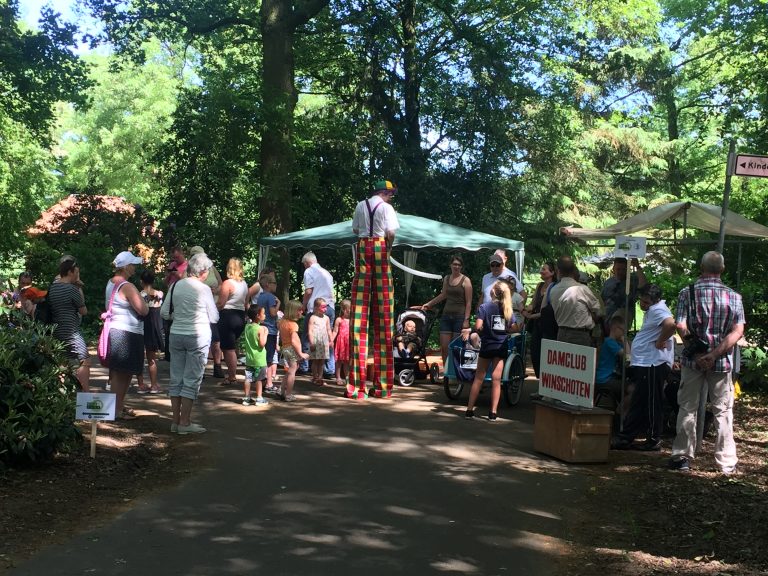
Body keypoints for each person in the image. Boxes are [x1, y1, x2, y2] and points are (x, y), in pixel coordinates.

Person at [669, 252, 745, 474]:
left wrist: (697, 355)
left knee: (687, 407)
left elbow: (681, 326)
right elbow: (738, 330)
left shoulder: (687, 293)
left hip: (693, 362)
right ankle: (726, 463)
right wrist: (714, 355)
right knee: (723, 411)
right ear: (722, 269)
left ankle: (682, 457)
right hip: (721, 363)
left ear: (701, 267)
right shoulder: (734, 297)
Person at [348, 179, 400, 400]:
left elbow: (356, 230)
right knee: (384, 317)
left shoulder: (360, 205)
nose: (391, 197)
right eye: (390, 194)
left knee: (359, 316)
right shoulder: (387, 208)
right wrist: (387, 250)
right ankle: (382, 387)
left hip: (362, 249)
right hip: (380, 249)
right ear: (384, 193)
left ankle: (356, 388)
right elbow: (390, 233)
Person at [612, 284, 676, 451]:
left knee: (650, 402)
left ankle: (653, 438)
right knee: (640, 400)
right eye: (641, 300)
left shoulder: (657, 310)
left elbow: (670, 324)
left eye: (646, 301)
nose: (642, 303)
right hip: (647, 362)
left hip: (653, 363)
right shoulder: (654, 310)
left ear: (654, 300)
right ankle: (628, 437)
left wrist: (661, 340)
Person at [161, 252, 219, 434]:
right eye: (208, 271)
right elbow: (214, 317)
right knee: (191, 379)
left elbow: (164, 313)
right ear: (202, 272)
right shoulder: (204, 290)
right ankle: (185, 423)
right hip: (198, 336)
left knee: (176, 377)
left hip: (176, 334)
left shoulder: (176, 285)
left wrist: (178, 316)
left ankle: (175, 421)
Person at [105, 251, 149, 420]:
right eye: (132, 265)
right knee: (121, 373)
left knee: (122, 372)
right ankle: (115, 411)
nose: (134, 268)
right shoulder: (128, 286)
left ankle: (118, 407)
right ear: (125, 267)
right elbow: (143, 309)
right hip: (127, 332)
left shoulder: (111, 283)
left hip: (116, 329)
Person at [465, 281, 516, 422]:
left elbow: (478, 326)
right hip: (501, 346)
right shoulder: (508, 309)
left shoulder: (484, 307)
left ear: (492, 292)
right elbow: (514, 327)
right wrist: (505, 330)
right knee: (496, 379)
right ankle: (493, 412)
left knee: (479, 377)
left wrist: (481, 329)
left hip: (487, 345)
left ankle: (469, 410)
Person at [420, 254, 473, 375]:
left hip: (459, 317)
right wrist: (429, 304)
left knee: (455, 347)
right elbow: (443, 295)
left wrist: (466, 319)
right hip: (446, 316)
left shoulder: (466, 280)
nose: (456, 267)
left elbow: (469, 302)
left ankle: (456, 372)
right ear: (450, 265)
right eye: (454, 264)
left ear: (461, 267)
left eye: (459, 265)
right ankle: (447, 373)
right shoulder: (447, 278)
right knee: (444, 347)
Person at [47, 258, 90, 391]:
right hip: (71, 332)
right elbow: (83, 311)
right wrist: (78, 287)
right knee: (85, 360)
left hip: (57, 331)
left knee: (63, 362)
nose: (77, 276)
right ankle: (85, 392)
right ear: (70, 272)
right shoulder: (72, 289)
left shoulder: (53, 288)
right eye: (76, 273)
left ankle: (63, 392)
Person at [547, 256, 601, 347]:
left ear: (558, 271)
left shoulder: (553, 290)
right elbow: (598, 311)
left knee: (563, 360)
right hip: (580, 335)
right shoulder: (583, 289)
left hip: (561, 333)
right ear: (574, 271)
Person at [189, 246, 225, 378]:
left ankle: (217, 366)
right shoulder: (189, 272)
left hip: (213, 307)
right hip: (198, 310)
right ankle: (200, 369)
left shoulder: (211, 268)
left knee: (215, 339)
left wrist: (215, 290)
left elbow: (222, 284)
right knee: (199, 340)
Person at [299, 252, 336, 378]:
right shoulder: (326, 272)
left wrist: (303, 305)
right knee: (327, 338)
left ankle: (304, 366)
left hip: (316, 308)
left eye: (304, 265)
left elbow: (309, 290)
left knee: (307, 336)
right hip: (329, 307)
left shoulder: (309, 271)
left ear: (307, 263)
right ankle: (329, 369)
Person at [216, 257, 249, 386]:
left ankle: (232, 377)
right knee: (232, 346)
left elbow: (221, 303)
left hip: (227, 316)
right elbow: (246, 303)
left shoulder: (228, 283)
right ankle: (232, 374)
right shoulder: (244, 284)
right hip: (240, 316)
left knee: (228, 349)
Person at [522, 261, 555, 377]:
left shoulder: (555, 287)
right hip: (536, 324)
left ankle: (546, 384)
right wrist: (526, 309)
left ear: (552, 272)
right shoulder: (540, 285)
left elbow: (546, 310)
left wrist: (531, 315)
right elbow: (534, 302)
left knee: (546, 354)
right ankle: (540, 379)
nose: (541, 271)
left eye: (544, 269)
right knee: (535, 353)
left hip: (548, 325)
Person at [137, 269, 164, 394]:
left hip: (141, 327)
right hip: (154, 329)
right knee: (152, 359)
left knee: (139, 358)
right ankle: (154, 385)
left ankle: (141, 384)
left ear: (141, 282)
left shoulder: (138, 295)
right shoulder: (159, 294)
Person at [601, 257, 646, 332]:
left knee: (619, 318)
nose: (621, 272)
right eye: (618, 269)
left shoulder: (633, 280)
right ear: (613, 269)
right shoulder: (608, 283)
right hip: (607, 316)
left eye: (623, 269)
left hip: (623, 316)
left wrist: (637, 267)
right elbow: (602, 300)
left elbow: (643, 286)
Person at [278, 300, 309, 402]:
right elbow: (294, 341)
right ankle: (288, 394)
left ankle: (281, 390)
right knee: (292, 371)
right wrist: (300, 353)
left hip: (285, 348)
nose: (301, 312)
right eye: (299, 310)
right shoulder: (293, 325)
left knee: (292, 369)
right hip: (291, 349)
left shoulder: (282, 321)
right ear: (293, 311)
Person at [256, 271, 281, 393]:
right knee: (269, 359)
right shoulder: (271, 297)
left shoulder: (260, 296)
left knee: (263, 356)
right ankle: (269, 384)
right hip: (270, 330)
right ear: (267, 284)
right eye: (274, 283)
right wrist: (278, 305)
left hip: (261, 328)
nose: (276, 285)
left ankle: (263, 380)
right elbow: (272, 313)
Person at [595, 315, 627, 406]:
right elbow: (627, 357)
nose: (623, 333)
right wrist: (624, 339)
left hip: (610, 378)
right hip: (604, 379)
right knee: (633, 389)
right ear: (616, 328)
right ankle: (620, 412)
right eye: (623, 330)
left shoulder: (616, 343)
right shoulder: (609, 342)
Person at [163, 246, 187, 360]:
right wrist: (169, 274)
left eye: (177, 257)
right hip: (170, 295)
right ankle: (167, 353)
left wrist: (177, 274)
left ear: (182, 254)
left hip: (181, 296)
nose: (176, 260)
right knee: (167, 323)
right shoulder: (172, 265)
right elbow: (165, 282)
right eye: (174, 258)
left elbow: (187, 281)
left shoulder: (187, 266)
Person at [241, 305, 269, 406]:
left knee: (248, 378)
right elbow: (262, 344)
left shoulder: (247, 326)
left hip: (249, 359)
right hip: (259, 360)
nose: (265, 315)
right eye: (263, 313)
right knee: (259, 379)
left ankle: (247, 398)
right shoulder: (260, 329)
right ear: (258, 315)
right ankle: (259, 398)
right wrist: (265, 333)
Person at [307, 297, 333, 386]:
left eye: (325, 307)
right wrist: (312, 342)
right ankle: (315, 377)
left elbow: (329, 329)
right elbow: (310, 331)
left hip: (324, 342)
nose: (325, 309)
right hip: (316, 341)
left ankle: (320, 378)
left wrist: (331, 340)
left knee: (322, 361)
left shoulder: (326, 318)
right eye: (322, 307)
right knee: (315, 360)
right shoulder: (312, 318)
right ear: (316, 307)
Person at [331, 299, 351, 386]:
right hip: (341, 342)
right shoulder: (339, 319)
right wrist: (331, 340)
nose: (350, 311)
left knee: (347, 361)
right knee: (338, 361)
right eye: (349, 309)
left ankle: (347, 378)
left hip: (348, 342)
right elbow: (335, 331)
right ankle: (338, 377)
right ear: (344, 309)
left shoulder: (352, 320)